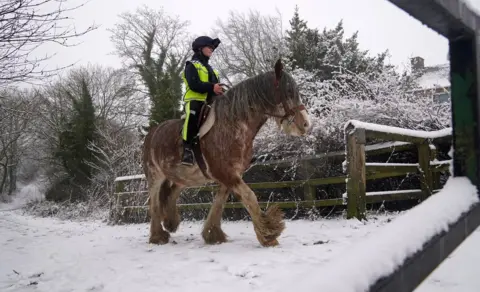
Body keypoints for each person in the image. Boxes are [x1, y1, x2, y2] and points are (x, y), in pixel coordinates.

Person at [181, 36, 224, 165]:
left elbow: (216, 87)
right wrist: (212, 87)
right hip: (195, 100)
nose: (211, 50)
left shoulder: (213, 70)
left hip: (212, 102)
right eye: (209, 47)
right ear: (200, 48)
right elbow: (194, 84)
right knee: (192, 115)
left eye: (212, 48)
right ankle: (187, 148)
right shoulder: (191, 65)